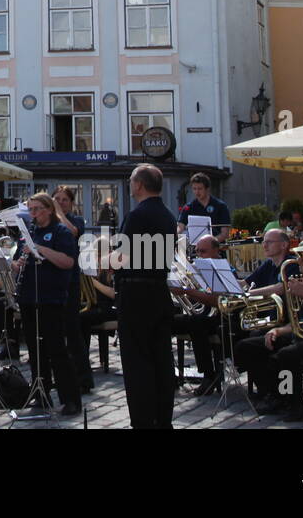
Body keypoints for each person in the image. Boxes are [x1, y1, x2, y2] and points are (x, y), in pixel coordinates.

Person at [233, 259, 303, 420]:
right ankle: (273, 393)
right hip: (301, 335)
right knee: (246, 347)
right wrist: (278, 330)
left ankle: (294, 404)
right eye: (300, 264)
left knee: (285, 355)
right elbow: (298, 320)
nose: (300, 268)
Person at [116, 164, 177, 428]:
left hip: (136, 293)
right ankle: (163, 419)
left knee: (137, 361)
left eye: (131, 180)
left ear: (139, 184)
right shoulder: (168, 215)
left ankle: (142, 420)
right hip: (159, 291)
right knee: (161, 359)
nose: (130, 185)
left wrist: (101, 259)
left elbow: (124, 256)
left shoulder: (137, 215)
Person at [13, 192, 81, 414]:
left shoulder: (60, 232)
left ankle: (70, 398)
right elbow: (17, 262)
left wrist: (41, 250)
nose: (32, 214)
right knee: (35, 349)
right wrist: (17, 262)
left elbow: (68, 262)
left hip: (51, 297)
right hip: (29, 297)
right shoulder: (29, 232)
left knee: (57, 349)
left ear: (49, 209)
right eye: (30, 210)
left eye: (37, 210)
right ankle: (41, 393)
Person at [169, 234, 225, 395]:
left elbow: (217, 300)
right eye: (197, 252)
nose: (199, 255)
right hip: (201, 315)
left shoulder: (223, 268)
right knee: (163, 321)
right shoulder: (196, 269)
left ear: (216, 250)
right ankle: (168, 373)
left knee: (196, 324)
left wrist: (187, 291)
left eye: (204, 251)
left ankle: (209, 375)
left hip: (218, 317)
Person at [51, 186, 94, 393]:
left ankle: (83, 378)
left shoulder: (76, 220)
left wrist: (58, 212)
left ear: (71, 203)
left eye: (64, 200)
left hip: (70, 281)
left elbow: (73, 232)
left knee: (72, 330)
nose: (60, 202)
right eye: (56, 199)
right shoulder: (48, 223)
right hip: (52, 281)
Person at [179, 173, 230, 241]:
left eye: (200, 189)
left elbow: (225, 234)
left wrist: (208, 244)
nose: (197, 192)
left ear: (207, 189)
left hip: (216, 248)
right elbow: (180, 227)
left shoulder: (220, 206)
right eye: (194, 189)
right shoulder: (188, 207)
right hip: (195, 249)